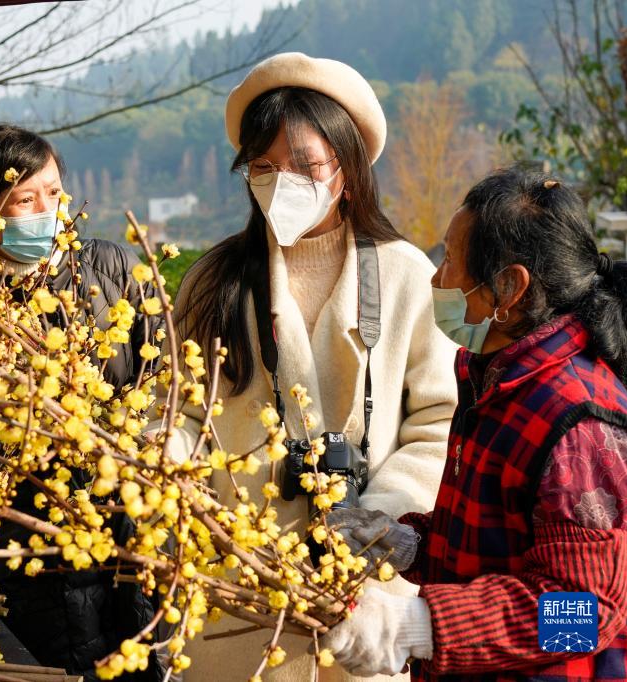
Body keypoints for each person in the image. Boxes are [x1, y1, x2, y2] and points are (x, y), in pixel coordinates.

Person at [167, 53, 459, 681]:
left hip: (366, 595)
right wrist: (164, 465)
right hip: (241, 586)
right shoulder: (213, 281)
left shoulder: (407, 275)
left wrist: (380, 516)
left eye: (305, 166)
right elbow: (183, 411)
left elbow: (439, 421)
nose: (282, 183)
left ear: (348, 169)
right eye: (264, 167)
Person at [324, 166, 627, 681]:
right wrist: (410, 544)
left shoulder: (578, 423)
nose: (436, 279)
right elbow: (496, 544)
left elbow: (586, 614)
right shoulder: (495, 380)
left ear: (509, 288)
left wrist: (422, 625)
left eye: (450, 261)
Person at [0, 125, 163, 681]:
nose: (46, 211)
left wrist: (131, 443)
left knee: (143, 660)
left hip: (127, 528)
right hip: (27, 544)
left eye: (53, 193)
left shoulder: (110, 270)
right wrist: (27, 447)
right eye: (25, 200)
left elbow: (161, 376)